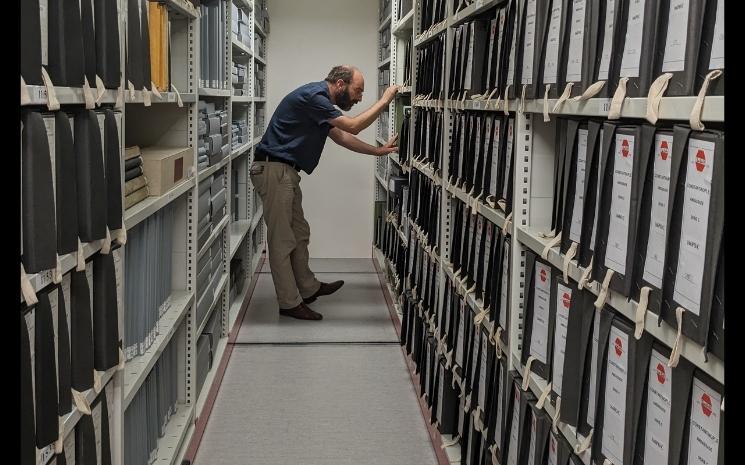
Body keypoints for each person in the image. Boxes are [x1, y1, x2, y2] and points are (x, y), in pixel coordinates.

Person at [251, 65, 400, 321]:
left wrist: (377, 152)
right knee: (282, 240)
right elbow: (353, 127)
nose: (359, 97)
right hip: (274, 171)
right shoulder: (315, 98)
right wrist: (385, 100)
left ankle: (308, 288)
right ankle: (289, 303)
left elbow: (342, 136)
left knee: (299, 233)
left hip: (284, 172)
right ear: (340, 84)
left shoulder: (319, 104)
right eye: (358, 91)